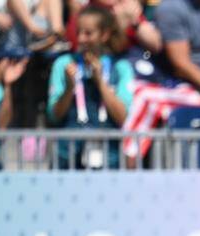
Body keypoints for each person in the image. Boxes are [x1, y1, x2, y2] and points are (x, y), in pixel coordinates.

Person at [46, 5, 134, 169]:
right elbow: (54, 116)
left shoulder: (120, 67)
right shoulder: (64, 64)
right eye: (78, 32)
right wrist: (69, 88)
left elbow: (122, 117)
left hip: (109, 157)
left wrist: (100, 82)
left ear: (104, 35)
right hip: (67, 156)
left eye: (88, 33)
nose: (81, 39)